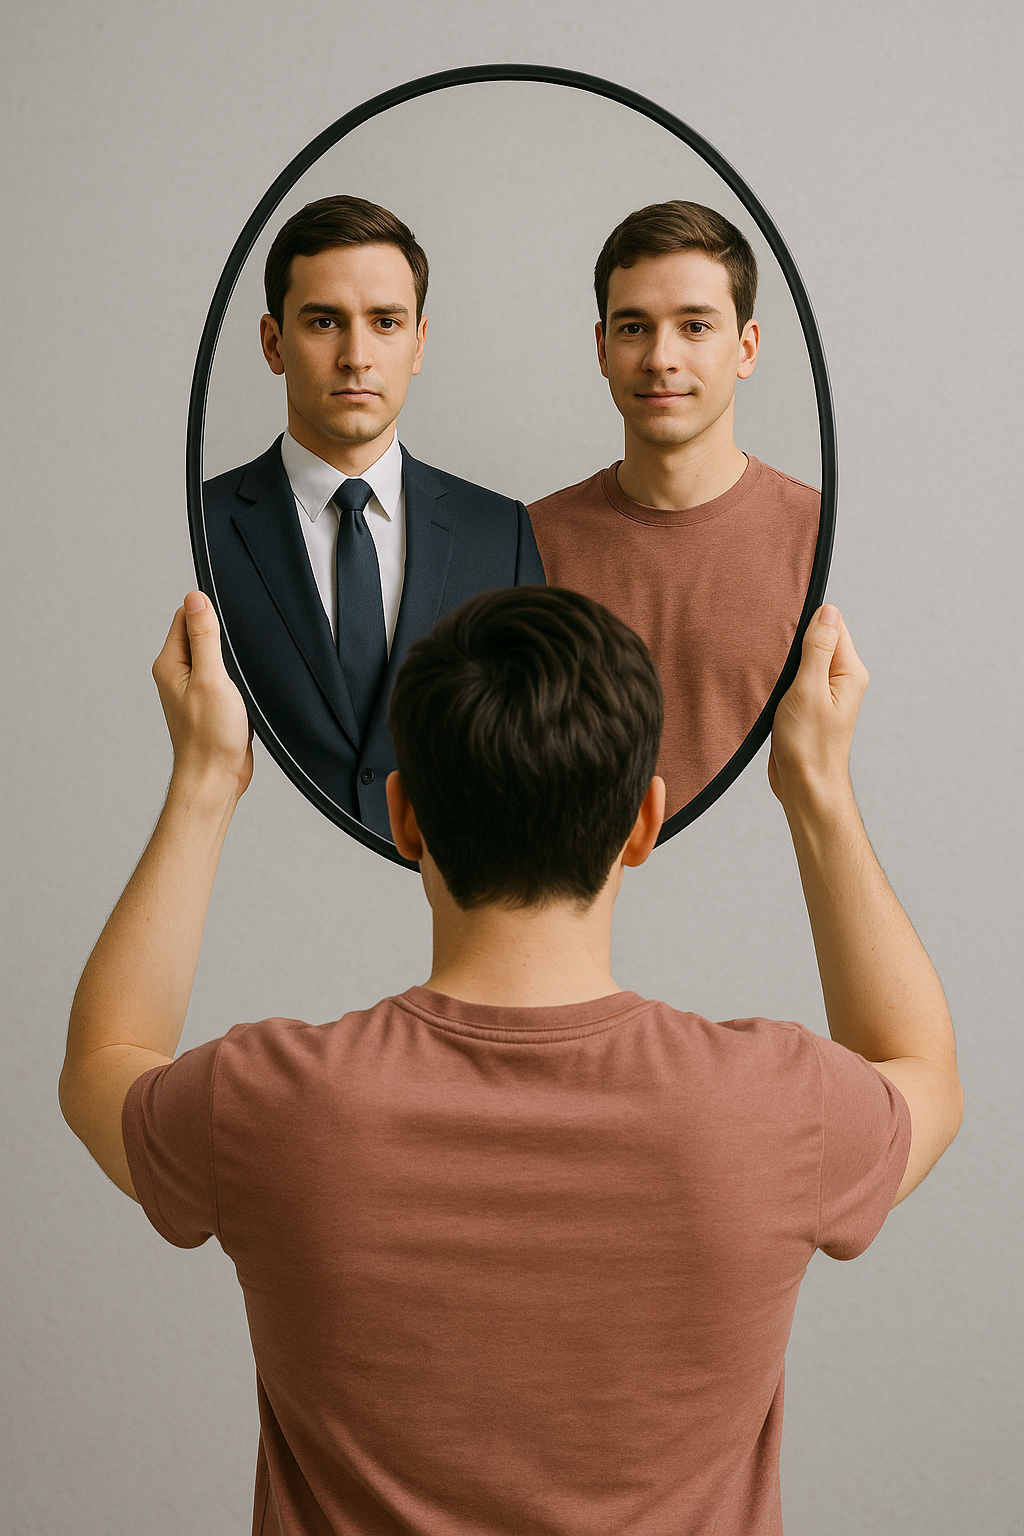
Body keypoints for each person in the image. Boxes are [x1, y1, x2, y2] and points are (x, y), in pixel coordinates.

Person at [59, 586, 962, 1536]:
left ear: (404, 817)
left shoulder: (271, 1105)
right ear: (644, 823)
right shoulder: (780, 1108)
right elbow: (922, 1068)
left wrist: (206, 779)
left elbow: (101, 1063)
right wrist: (816, 785)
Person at [203, 195, 544, 841]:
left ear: (418, 343)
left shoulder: (501, 535)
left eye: (385, 323)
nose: (357, 355)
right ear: (274, 342)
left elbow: (528, 759)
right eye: (325, 322)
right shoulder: (201, 528)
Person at [528, 199, 820, 818]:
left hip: (769, 902)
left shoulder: (819, 535)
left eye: (695, 326)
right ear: (602, 348)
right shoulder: (526, 541)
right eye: (634, 327)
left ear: (747, 347)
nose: (662, 358)